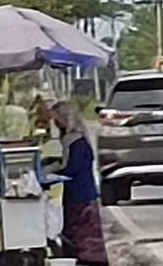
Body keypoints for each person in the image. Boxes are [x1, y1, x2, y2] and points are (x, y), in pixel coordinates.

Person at [46, 101, 109, 266]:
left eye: (57, 119)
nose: (55, 124)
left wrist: (51, 175)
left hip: (81, 193)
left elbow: (71, 168)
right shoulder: (72, 139)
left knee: (81, 232)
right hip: (75, 192)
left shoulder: (77, 141)